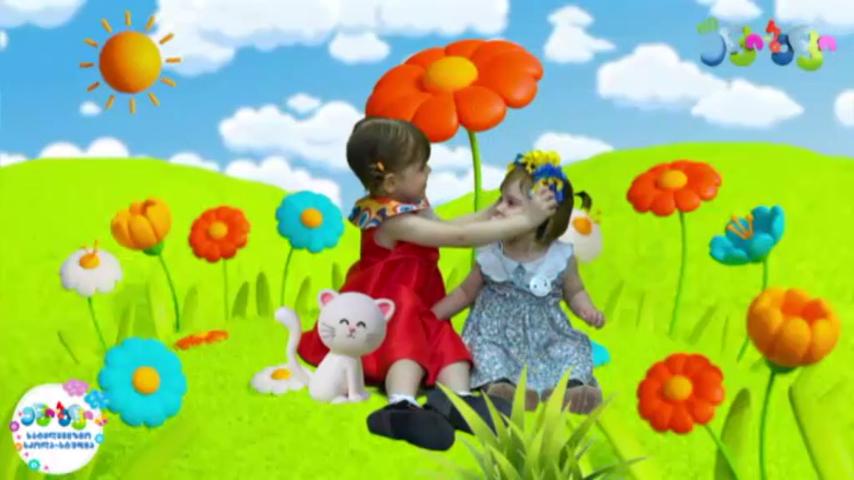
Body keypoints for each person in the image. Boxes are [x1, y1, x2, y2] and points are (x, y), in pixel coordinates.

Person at [296, 117, 558, 451]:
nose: (429, 171)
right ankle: (401, 404)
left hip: (420, 298)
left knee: (444, 341)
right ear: (391, 182)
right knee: (405, 344)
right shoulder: (392, 220)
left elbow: (451, 225)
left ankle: (458, 398)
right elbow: (456, 237)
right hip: (391, 306)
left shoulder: (411, 204)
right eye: (421, 167)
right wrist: (526, 220)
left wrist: (496, 210)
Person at [432, 150, 606, 414]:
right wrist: (432, 315)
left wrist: (587, 310)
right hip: (496, 336)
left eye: (511, 203)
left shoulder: (560, 256)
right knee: (484, 352)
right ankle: (503, 388)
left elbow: (575, 291)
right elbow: (465, 293)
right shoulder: (492, 252)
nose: (500, 208)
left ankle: (571, 389)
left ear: (545, 215)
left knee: (574, 348)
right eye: (501, 199)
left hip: (546, 337)